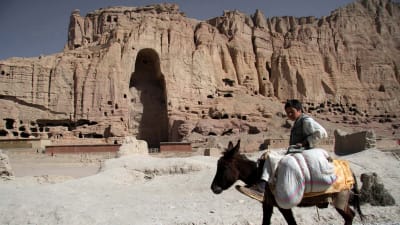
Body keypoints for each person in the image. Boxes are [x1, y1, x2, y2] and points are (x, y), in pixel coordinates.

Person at [237, 99, 328, 202]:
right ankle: (260, 183)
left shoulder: (305, 120)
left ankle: (261, 187)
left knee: (271, 157)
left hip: (301, 151)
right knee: (267, 154)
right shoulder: (298, 122)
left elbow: (321, 133)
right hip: (294, 150)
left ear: (299, 110)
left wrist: (305, 143)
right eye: (288, 113)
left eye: (291, 112)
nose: (289, 115)